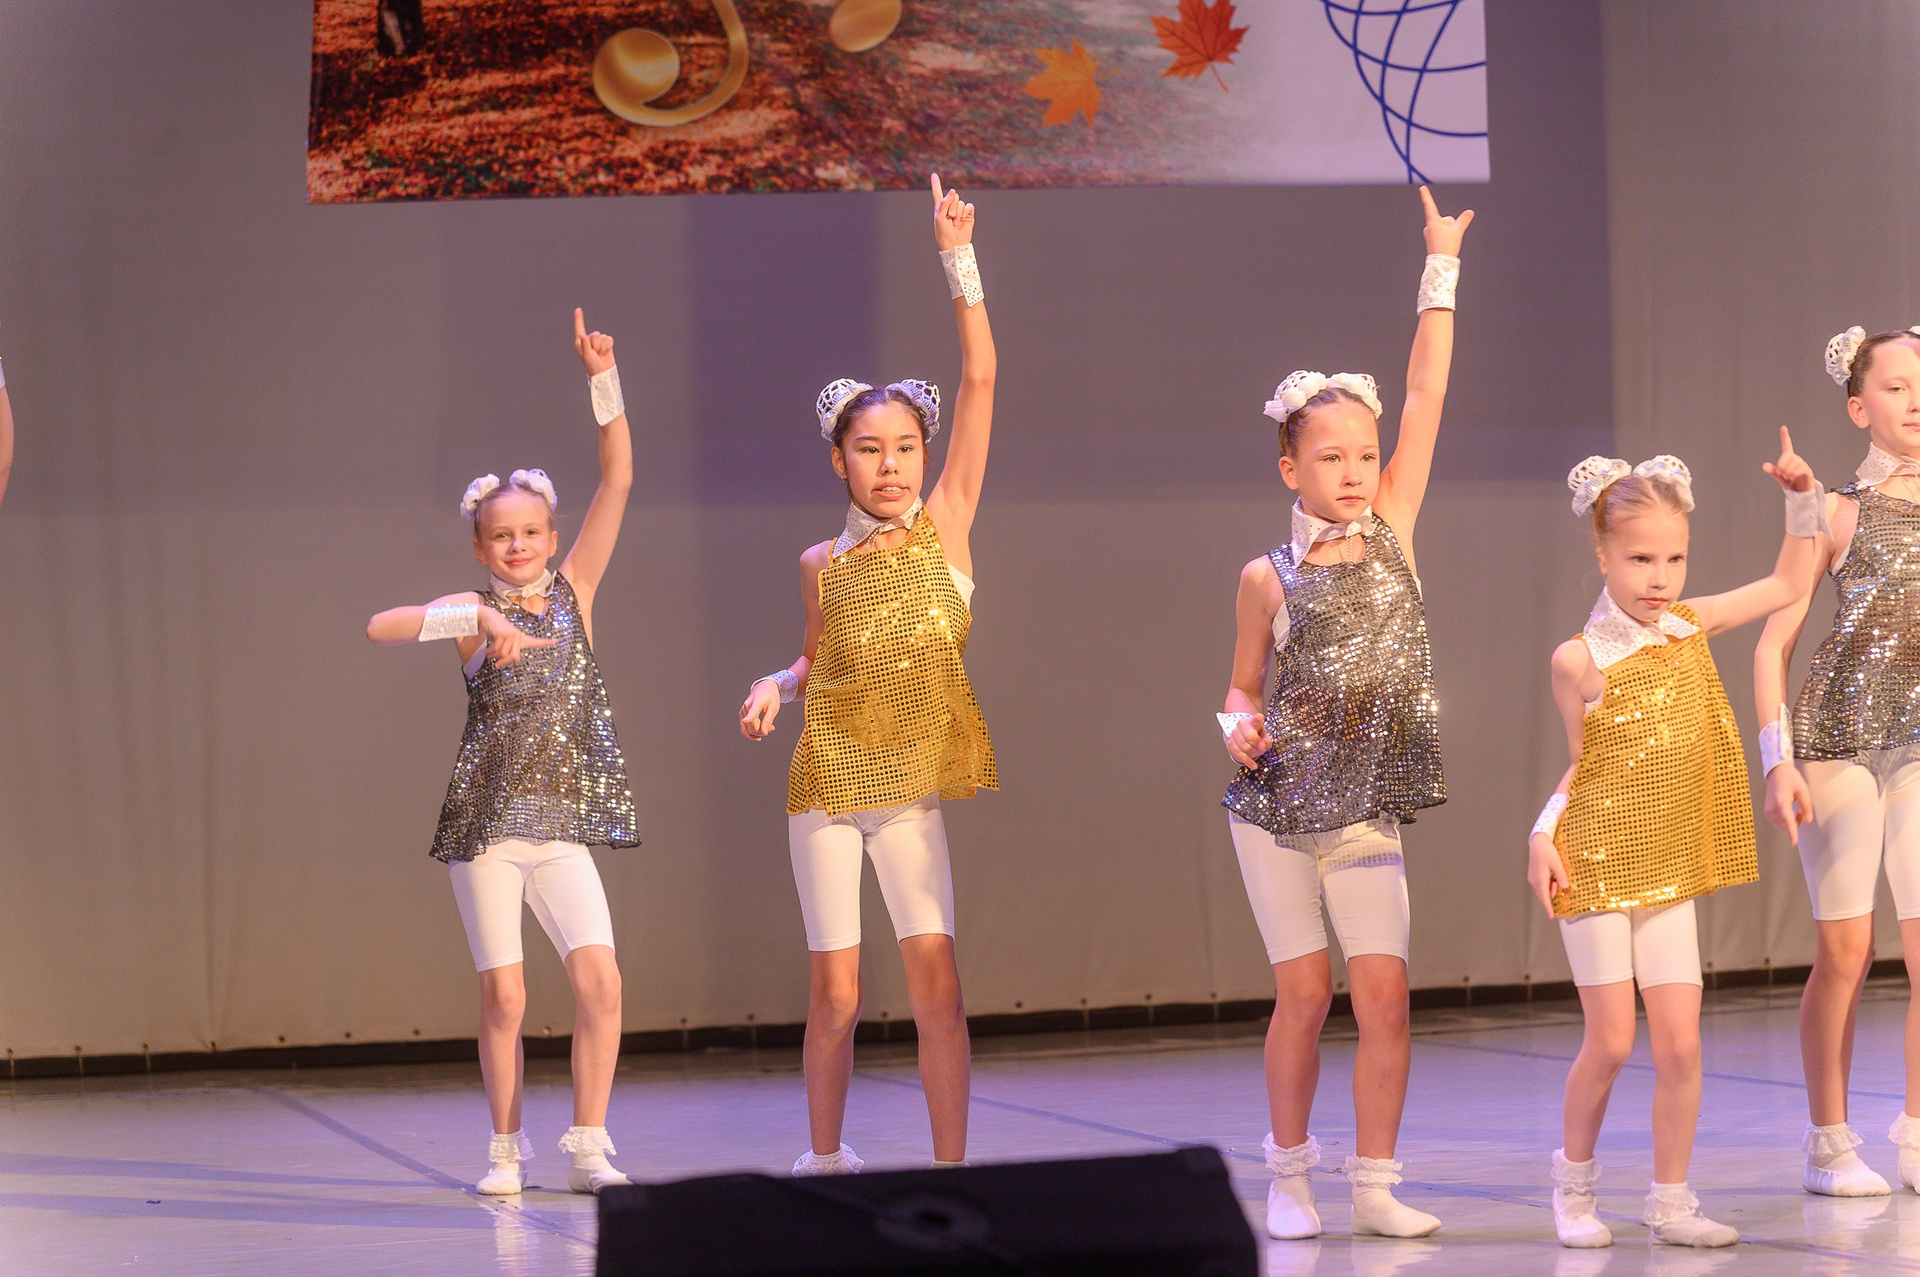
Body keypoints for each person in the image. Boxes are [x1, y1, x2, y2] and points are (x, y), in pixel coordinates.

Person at [1218, 185, 1470, 1240]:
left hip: (1366, 808)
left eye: (1365, 453)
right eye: (1332, 456)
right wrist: (1232, 723)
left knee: (1385, 995)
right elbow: (1239, 686)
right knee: (1304, 993)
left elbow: (1425, 390)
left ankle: (1376, 1180)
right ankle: (1290, 1175)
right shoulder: (1266, 575)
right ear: (1291, 466)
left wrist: (1439, 268)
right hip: (1279, 810)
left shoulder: (1396, 526)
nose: (1357, 470)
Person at [739, 174, 996, 1175]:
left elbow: (981, 378)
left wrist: (957, 258)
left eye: (905, 448)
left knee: (939, 990)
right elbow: (818, 657)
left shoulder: (947, 527)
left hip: (910, 789)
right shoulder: (822, 562)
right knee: (837, 993)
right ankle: (825, 1161)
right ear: (839, 460)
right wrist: (775, 682)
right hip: (828, 783)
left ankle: (951, 1173)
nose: (890, 464)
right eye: (869, 449)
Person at [366, 310, 638, 1195]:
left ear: (552, 538)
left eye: (531, 531)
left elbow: (619, 478)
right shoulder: (468, 613)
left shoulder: (576, 590)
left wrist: (602, 380)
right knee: (507, 996)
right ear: (481, 547)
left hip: (559, 827)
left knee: (601, 981)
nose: (518, 545)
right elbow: (380, 626)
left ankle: (589, 1146)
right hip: (486, 829)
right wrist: (481, 615)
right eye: (501, 536)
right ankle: (505, 1148)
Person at [1528, 439, 1822, 1247]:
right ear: (1602, 554)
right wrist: (1542, 831)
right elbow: (1582, 767)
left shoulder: (1691, 626)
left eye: (1674, 558)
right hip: (1593, 861)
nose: (1659, 577)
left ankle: (1670, 1200)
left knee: (1683, 1044)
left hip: (1667, 865)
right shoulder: (1578, 659)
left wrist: (1802, 499)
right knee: (1611, 1039)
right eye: (1639, 559)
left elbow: (1788, 583)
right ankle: (1574, 1190)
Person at [1755, 324, 1920, 1197]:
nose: (1916, 401)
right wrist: (1776, 759)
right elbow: (1774, 642)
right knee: (1848, 947)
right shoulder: (1837, 509)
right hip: (1839, 740)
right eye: (1896, 387)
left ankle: (1918, 1132)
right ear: (1860, 407)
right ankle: (1829, 1139)